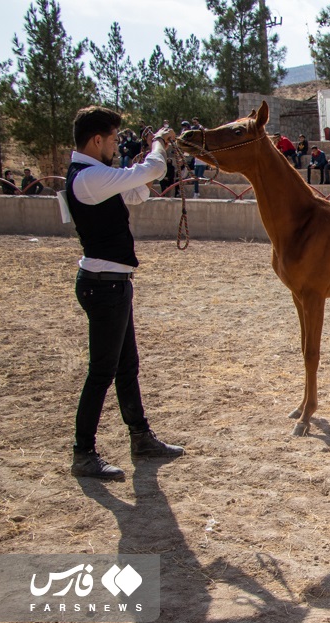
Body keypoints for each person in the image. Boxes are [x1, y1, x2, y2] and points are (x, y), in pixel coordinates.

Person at [65, 105, 184, 479]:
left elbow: (137, 194)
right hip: (105, 286)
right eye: (113, 139)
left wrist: (139, 168)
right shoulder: (88, 177)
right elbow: (154, 171)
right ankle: (83, 452)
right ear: (97, 140)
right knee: (102, 371)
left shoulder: (93, 176)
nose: (116, 145)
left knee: (125, 366)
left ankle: (140, 436)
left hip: (110, 284)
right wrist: (158, 147)